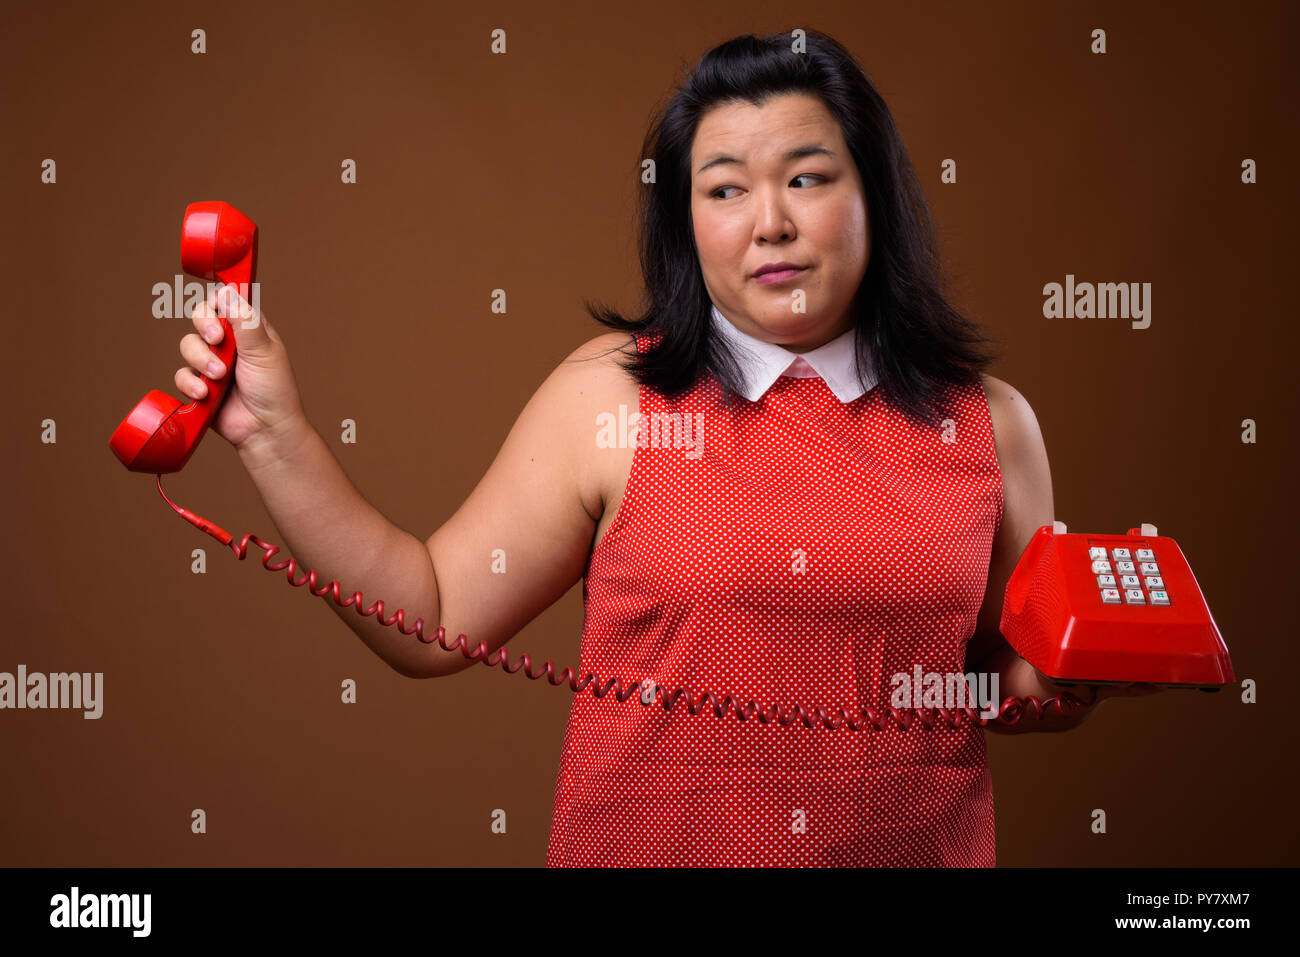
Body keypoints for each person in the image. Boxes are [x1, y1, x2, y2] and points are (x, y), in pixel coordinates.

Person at [174, 29, 1156, 867]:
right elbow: (427, 616)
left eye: (807, 179)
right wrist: (273, 434)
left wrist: (1075, 675)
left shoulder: (992, 423)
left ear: (876, 197)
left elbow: (999, 681)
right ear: (685, 221)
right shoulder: (612, 394)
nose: (768, 223)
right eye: (723, 190)